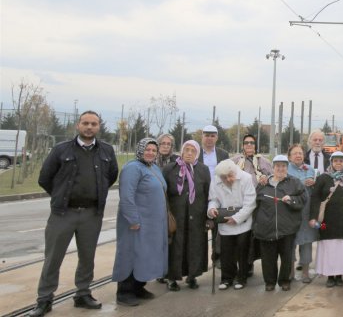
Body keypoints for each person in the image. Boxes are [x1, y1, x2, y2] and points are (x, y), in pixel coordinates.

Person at [28, 111, 119, 317]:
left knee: (87, 257)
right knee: (53, 258)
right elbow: (45, 178)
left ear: (98, 127)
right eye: (85, 123)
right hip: (63, 214)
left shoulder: (106, 150)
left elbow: (111, 175)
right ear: (78, 125)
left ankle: (83, 294)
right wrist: (60, 195)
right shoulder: (61, 149)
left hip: (91, 214)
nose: (89, 127)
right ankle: (44, 299)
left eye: (93, 124)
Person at [112, 138, 169, 306]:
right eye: (147, 149)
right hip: (136, 223)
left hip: (152, 224)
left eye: (154, 150)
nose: (150, 153)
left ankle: (138, 286)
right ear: (140, 150)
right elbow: (126, 196)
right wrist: (133, 219)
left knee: (145, 256)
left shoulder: (152, 167)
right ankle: (124, 291)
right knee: (131, 254)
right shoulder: (132, 168)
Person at [163, 140, 211, 291]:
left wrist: (209, 218)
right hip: (176, 216)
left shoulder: (203, 170)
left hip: (197, 216)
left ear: (197, 153)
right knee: (175, 247)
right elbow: (163, 193)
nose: (189, 153)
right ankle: (172, 278)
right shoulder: (170, 169)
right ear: (182, 151)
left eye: (193, 151)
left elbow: (208, 193)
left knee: (195, 246)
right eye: (187, 150)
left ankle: (192, 276)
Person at [254, 155, 306, 291]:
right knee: (268, 258)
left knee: (287, 257)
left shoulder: (294, 182)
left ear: (287, 168)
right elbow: (255, 203)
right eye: (278, 166)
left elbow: (303, 198)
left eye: (283, 166)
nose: (280, 169)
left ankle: (284, 280)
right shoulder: (264, 183)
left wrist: (292, 200)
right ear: (273, 167)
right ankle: (269, 282)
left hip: (287, 228)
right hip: (267, 227)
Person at [308, 152, 343, 288]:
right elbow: (315, 198)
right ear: (331, 162)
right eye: (335, 161)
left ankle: (339, 276)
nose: (338, 163)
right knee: (329, 248)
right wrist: (313, 217)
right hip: (327, 222)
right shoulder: (323, 178)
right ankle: (330, 276)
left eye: (341, 161)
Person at [207, 160, 257, 291]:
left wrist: (236, 218)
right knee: (226, 253)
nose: (228, 180)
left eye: (230, 176)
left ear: (235, 172)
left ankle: (242, 277)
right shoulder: (216, 179)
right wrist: (212, 209)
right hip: (225, 223)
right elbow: (214, 199)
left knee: (242, 251)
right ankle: (227, 278)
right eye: (224, 178)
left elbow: (250, 203)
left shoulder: (246, 178)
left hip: (243, 222)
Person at [286, 144, 318, 283]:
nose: (298, 155)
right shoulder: (285, 169)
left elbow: (315, 191)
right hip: (290, 211)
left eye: (300, 153)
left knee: (306, 242)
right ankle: (290, 272)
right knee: (290, 243)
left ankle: (305, 272)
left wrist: (313, 183)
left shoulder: (310, 169)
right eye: (295, 153)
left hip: (306, 211)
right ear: (289, 157)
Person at [199, 125, 229, 264]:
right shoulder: (196, 153)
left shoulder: (223, 154)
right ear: (202, 137)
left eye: (212, 136)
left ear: (216, 137)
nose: (209, 138)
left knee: (218, 231)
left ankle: (217, 258)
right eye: (207, 135)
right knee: (200, 231)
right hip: (199, 197)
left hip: (218, 197)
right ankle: (200, 263)